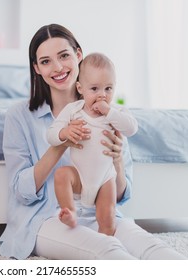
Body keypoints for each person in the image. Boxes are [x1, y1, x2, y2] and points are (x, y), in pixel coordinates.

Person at [0, 23, 187, 260]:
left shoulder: (109, 114)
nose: (57, 67)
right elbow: (21, 191)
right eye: (46, 61)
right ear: (36, 68)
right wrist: (62, 142)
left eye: (64, 56)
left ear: (78, 55)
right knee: (108, 250)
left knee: (155, 249)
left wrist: (117, 161)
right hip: (46, 218)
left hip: (103, 213)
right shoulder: (19, 116)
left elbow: (120, 195)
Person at [46, 52, 138, 236]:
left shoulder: (117, 112)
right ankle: (69, 211)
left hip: (105, 178)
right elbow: (51, 135)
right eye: (95, 89)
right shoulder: (74, 111)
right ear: (80, 88)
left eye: (108, 89)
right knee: (61, 175)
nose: (102, 95)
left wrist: (109, 112)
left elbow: (132, 128)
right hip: (79, 176)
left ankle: (107, 241)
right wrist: (65, 132)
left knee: (107, 217)